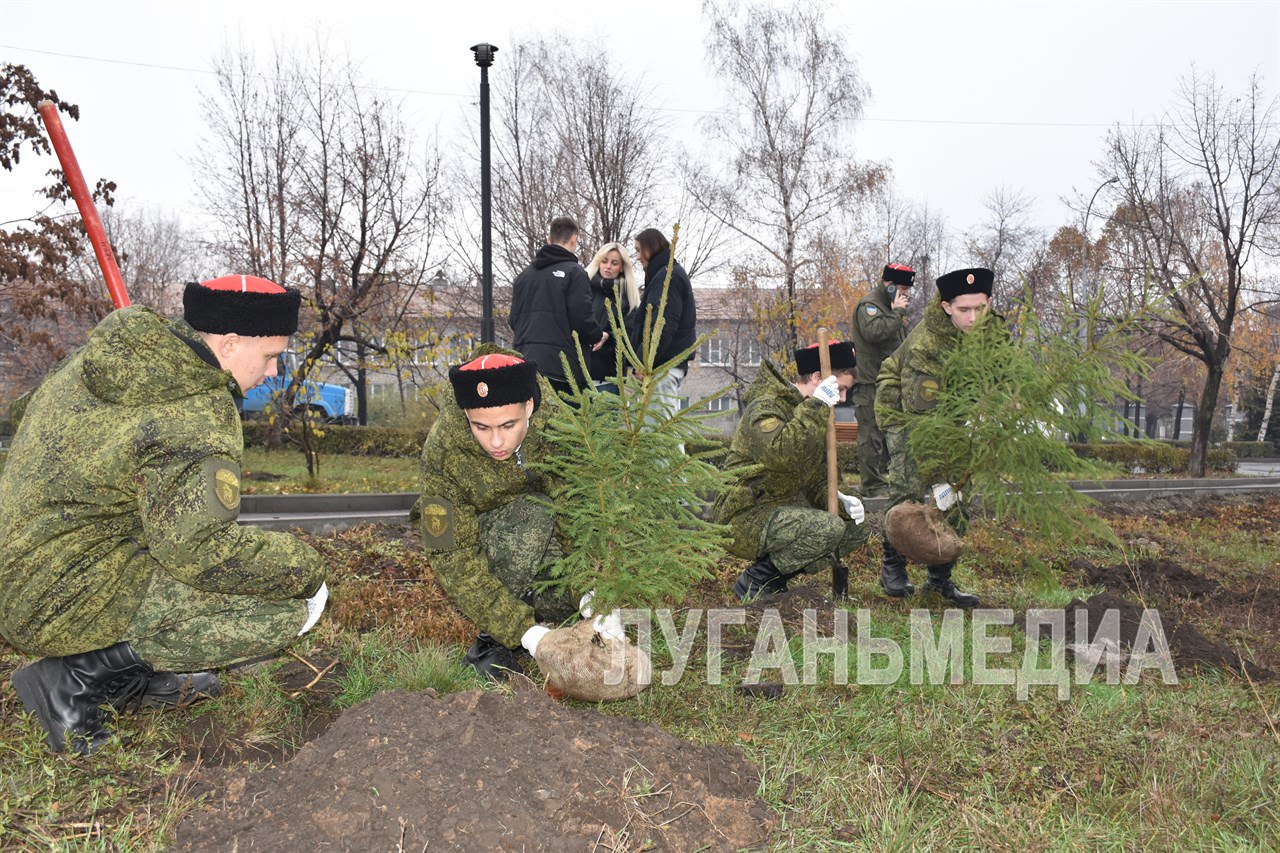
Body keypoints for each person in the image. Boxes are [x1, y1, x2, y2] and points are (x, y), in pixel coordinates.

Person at [1, 276, 328, 754]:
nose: (275, 370)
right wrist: (306, 566)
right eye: (270, 355)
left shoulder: (112, 355)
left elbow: (22, 412)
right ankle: (74, 678)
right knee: (295, 606)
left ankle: (143, 677)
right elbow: (199, 549)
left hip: (21, 570)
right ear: (231, 343)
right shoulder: (197, 406)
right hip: (58, 597)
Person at [416, 348, 622, 681]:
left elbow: (577, 514)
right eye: (480, 427)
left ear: (528, 406)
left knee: (568, 590)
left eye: (508, 425)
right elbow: (450, 553)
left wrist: (591, 592)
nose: (496, 441)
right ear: (466, 413)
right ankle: (491, 640)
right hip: (488, 547)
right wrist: (522, 631)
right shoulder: (443, 449)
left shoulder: (557, 430)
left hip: (541, 546)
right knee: (534, 512)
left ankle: (535, 604)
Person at [712, 341, 870, 600]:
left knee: (855, 526)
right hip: (743, 515)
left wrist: (842, 498)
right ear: (819, 378)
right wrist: (817, 406)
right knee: (828, 528)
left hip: (780, 511)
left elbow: (819, 481)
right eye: (840, 389)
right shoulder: (767, 406)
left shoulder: (816, 414)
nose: (842, 399)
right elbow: (781, 453)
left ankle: (775, 579)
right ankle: (754, 581)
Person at [875, 267, 995, 607]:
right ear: (946, 307)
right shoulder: (927, 345)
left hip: (951, 416)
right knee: (907, 483)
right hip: (903, 410)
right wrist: (936, 477)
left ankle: (940, 580)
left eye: (980, 309)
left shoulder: (989, 332)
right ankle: (893, 567)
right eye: (963, 310)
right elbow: (921, 421)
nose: (973, 318)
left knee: (959, 493)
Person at [508, 216, 608, 397]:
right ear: (574, 239)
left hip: (526, 367)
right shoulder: (575, 273)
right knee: (565, 422)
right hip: (564, 370)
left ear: (549, 239)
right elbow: (582, 319)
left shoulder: (523, 277)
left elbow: (513, 321)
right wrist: (598, 335)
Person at [850, 263, 915, 498]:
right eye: (903, 289)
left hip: (888, 382)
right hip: (871, 383)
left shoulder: (887, 307)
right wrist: (897, 312)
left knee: (891, 435)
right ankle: (871, 484)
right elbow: (873, 332)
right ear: (889, 286)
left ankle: (885, 479)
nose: (906, 294)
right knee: (871, 436)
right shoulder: (870, 306)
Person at [630, 228, 696, 418]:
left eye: (638, 250)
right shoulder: (665, 274)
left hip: (662, 366)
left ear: (650, 248)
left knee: (659, 428)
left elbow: (662, 324)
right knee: (661, 428)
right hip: (665, 365)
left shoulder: (668, 277)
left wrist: (645, 363)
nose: (637, 257)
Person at [584, 241, 640, 392]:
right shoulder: (583, 290)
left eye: (614, 263)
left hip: (608, 380)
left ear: (622, 267)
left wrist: (608, 337)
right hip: (578, 377)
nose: (608, 266)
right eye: (604, 261)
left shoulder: (628, 299)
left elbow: (631, 337)